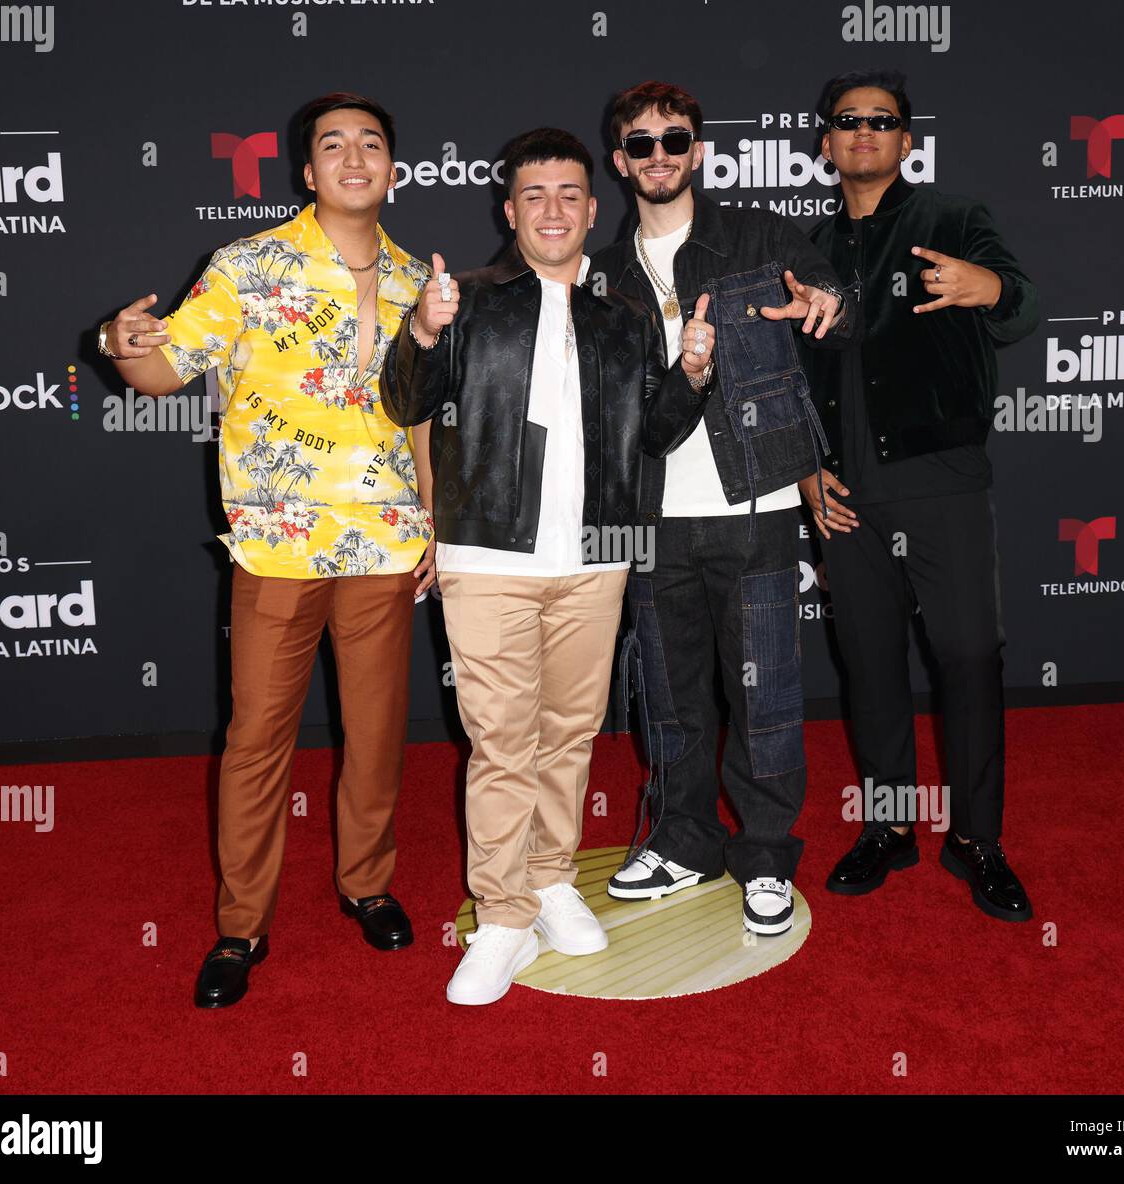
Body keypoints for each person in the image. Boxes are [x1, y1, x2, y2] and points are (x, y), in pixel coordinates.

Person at [97, 92, 436, 1007]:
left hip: (383, 546)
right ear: (307, 170)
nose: (354, 157)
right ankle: (241, 928)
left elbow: (420, 422)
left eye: (372, 141)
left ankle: (366, 884)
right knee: (256, 744)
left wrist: (434, 523)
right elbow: (162, 367)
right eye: (334, 144)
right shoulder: (246, 265)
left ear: (394, 169)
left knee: (374, 740)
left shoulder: (418, 281)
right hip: (277, 551)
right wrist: (116, 343)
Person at [383, 127, 712, 1005]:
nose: (554, 209)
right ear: (510, 210)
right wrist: (420, 328)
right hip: (488, 550)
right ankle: (501, 917)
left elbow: (657, 433)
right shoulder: (469, 300)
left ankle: (551, 876)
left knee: (568, 735)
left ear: (592, 207)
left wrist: (692, 373)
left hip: (598, 554)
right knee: (501, 744)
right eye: (535, 195)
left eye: (570, 194)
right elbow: (403, 399)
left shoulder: (623, 319)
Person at [590, 81, 856, 937]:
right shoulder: (604, 276)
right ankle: (685, 841)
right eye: (641, 144)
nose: (659, 156)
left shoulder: (759, 233)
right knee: (670, 697)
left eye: (675, 140)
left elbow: (826, 297)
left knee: (767, 692)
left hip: (757, 502)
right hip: (655, 511)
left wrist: (827, 303)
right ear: (620, 158)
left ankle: (769, 853)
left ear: (698, 150)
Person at [807, 69, 1039, 921]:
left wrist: (995, 291)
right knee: (869, 663)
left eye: (883, 120)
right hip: (843, 489)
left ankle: (977, 839)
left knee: (971, 654)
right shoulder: (810, 248)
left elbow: (1023, 310)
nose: (864, 131)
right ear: (826, 143)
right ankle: (892, 828)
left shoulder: (956, 221)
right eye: (847, 120)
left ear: (907, 141)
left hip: (940, 478)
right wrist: (805, 470)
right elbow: (790, 374)